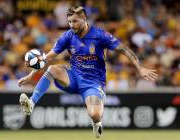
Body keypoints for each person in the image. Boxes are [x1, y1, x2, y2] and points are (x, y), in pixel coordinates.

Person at [18, 6, 158, 138]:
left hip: (93, 82)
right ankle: (31, 103)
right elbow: (47, 57)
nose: (71, 25)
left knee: (95, 114)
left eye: (74, 21)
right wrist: (31, 75)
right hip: (73, 77)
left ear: (84, 19)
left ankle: (96, 123)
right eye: (69, 22)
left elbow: (124, 49)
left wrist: (140, 68)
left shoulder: (100, 35)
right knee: (53, 69)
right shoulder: (67, 36)